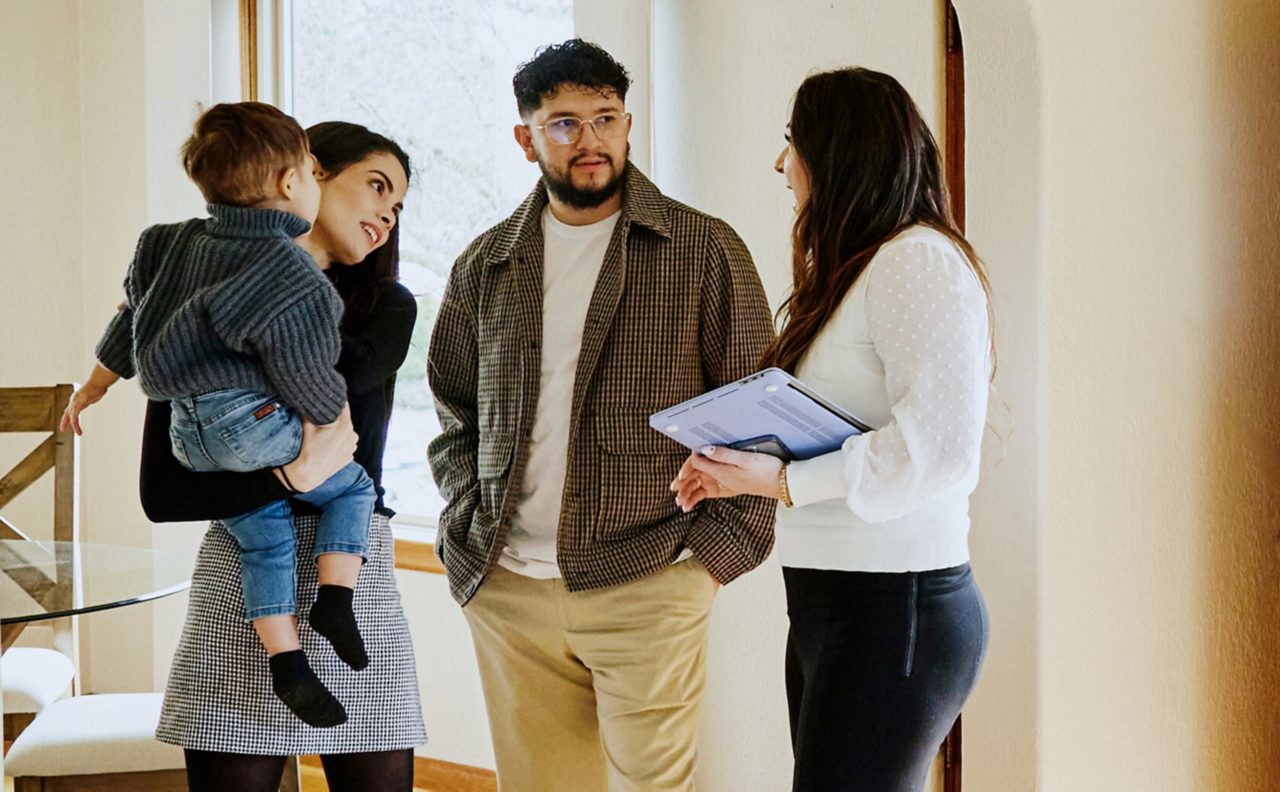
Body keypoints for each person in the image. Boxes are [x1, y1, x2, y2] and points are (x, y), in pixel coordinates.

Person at [427, 39, 776, 792]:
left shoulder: (703, 250)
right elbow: (455, 409)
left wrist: (706, 568)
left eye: (605, 118)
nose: (589, 141)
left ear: (626, 124)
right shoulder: (485, 264)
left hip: (650, 579)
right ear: (526, 138)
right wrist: (469, 516)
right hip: (509, 589)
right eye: (563, 124)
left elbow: (757, 415)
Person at [671, 67, 992, 792]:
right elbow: (847, 425)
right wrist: (740, 458)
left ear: (840, 151)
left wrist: (783, 481)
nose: (782, 164)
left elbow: (935, 449)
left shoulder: (917, 262)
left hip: (895, 608)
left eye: (794, 142)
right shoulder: (858, 270)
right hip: (835, 603)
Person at [62, 102, 376, 728]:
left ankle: (286, 661)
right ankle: (335, 600)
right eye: (313, 176)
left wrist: (91, 386)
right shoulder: (291, 271)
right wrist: (330, 430)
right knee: (354, 486)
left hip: (190, 436)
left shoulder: (162, 242)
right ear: (291, 184)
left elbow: (128, 324)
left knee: (264, 535)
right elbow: (304, 370)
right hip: (255, 425)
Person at [150, 121, 425, 792]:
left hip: (354, 577)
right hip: (240, 575)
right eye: (377, 188)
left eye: (398, 208)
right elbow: (162, 491)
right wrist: (286, 476)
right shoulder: (196, 296)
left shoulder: (386, 308)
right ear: (306, 174)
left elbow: (345, 378)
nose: (387, 217)